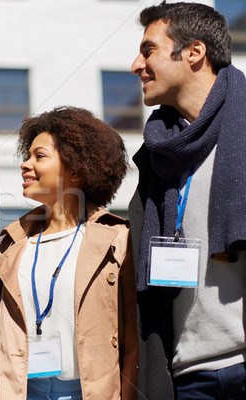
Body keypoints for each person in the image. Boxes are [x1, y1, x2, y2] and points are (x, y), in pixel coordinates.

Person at [0, 106, 138, 400]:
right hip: (20, 392)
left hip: (87, 393)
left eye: (39, 156)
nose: (25, 164)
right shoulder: (10, 244)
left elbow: (130, 342)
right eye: (27, 156)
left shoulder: (117, 240)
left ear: (75, 168)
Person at [129, 1, 246, 399]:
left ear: (194, 52)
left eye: (149, 51)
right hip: (190, 376)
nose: (136, 65)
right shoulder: (156, 158)